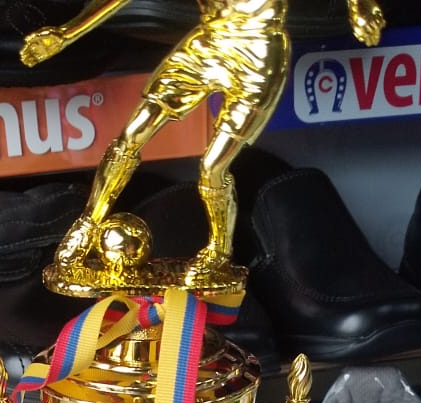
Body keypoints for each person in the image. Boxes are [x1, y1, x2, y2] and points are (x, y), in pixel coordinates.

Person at [20, 0, 386, 287]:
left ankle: (218, 253)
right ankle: (86, 227)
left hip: (259, 51)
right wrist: (66, 34)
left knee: (213, 167)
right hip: (208, 43)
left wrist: (360, 5)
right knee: (131, 135)